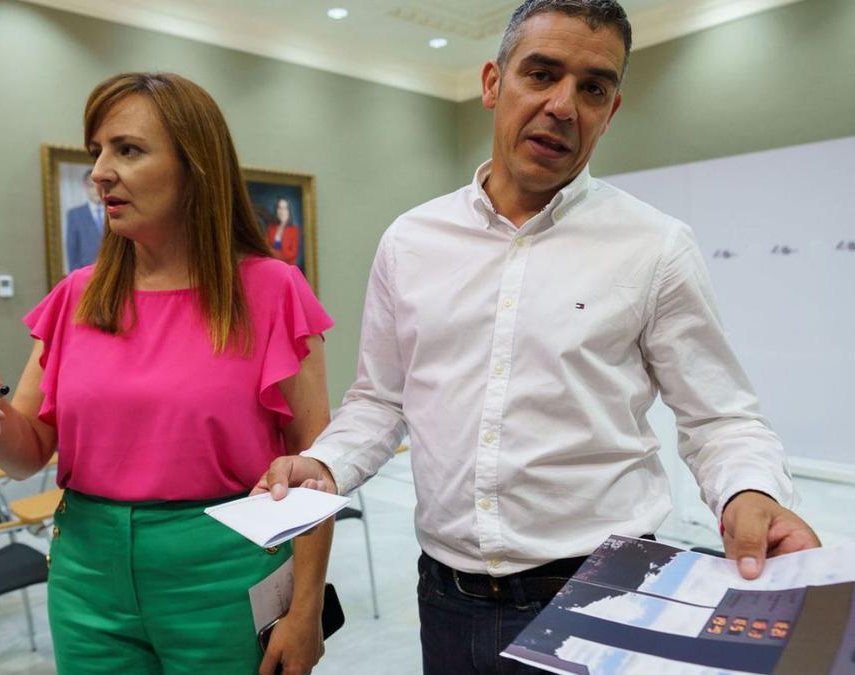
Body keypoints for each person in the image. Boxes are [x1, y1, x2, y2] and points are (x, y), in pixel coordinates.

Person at [257, 1, 820, 673]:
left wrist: (749, 491)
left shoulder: (656, 247)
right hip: (447, 597)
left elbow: (720, 415)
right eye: (542, 73)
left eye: (593, 87)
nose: (563, 105)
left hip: (603, 593)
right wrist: (327, 464)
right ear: (494, 83)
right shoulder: (411, 241)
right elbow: (381, 400)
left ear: (611, 111)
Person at [0, 72, 334, 675]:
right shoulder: (78, 296)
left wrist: (304, 613)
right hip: (86, 577)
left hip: (226, 570)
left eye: (128, 149)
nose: (99, 171)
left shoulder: (273, 290)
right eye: (97, 151)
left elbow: (316, 470)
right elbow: (29, 454)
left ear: (195, 166)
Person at [65, 169, 105, 272]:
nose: (96, 190)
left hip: (116, 273)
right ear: (86, 187)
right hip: (87, 275)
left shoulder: (114, 212)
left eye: (100, 186)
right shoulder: (75, 215)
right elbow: (72, 251)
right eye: (92, 186)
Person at [266, 197, 301, 267]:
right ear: (276, 210)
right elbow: (266, 248)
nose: (282, 211)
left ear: (288, 211)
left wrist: (273, 254)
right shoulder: (271, 229)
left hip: (288, 268)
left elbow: (293, 253)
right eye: (280, 208)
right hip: (272, 267)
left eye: (285, 208)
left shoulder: (294, 230)